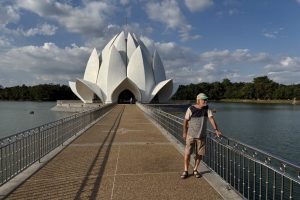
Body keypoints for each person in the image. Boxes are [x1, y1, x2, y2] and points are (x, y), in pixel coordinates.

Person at [181, 93, 221, 179]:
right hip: (190, 135)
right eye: (204, 100)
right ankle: (185, 170)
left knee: (200, 154)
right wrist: (184, 132)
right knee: (187, 153)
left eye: (206, 99)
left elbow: (211, 119)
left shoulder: (207, 109)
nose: (205, 101)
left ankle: (195, 170)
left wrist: (216, 130)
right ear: (198, 100)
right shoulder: (190, 108)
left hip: (201, 136)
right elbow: (185, 121)